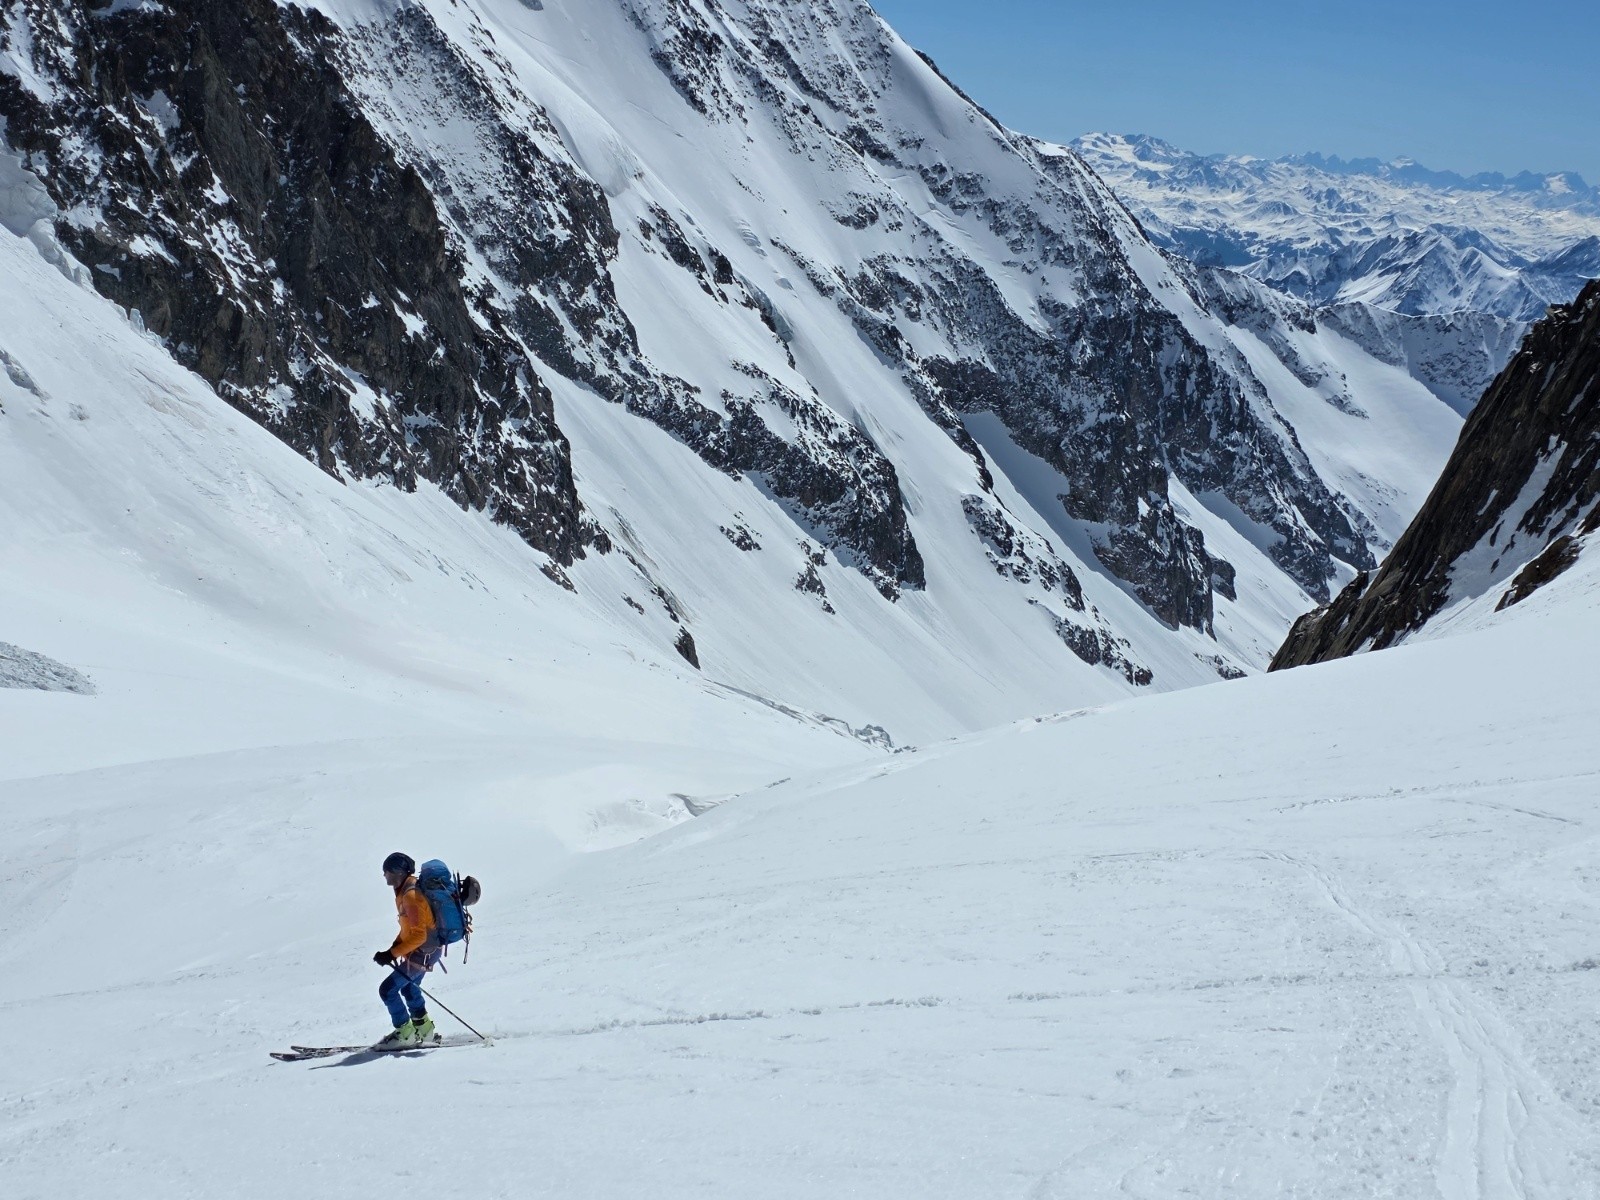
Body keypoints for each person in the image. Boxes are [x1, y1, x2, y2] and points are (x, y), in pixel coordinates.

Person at [373, 851, 439, 1048]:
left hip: (423, 953)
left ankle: (404, 1034)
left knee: (387, 990)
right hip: (427, 951)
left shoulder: (410, 896)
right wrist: (394, 947)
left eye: (387, 871)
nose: (384, 875)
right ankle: (425, 1031)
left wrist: (392, 954)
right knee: (410, 989)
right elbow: (409, 928)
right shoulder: (406, 891)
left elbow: (419, 935)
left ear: (397, 872)